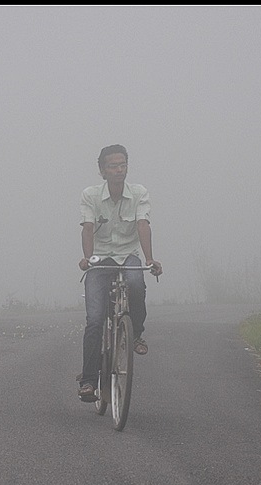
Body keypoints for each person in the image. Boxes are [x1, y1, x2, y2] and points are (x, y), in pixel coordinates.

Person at [77, 144, 163, 400]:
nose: (118, 170)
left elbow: (143, 224)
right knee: (94, 319)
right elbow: (87, 227)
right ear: (102, 170)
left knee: (137, 282)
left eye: (122, 165)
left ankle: (136, 334)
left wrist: (149, 259)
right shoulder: (91, 195)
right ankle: (89, 381)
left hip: (128, 256)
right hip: (100, 260)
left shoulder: (139, 193)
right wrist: (87, 259)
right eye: (113, 166)